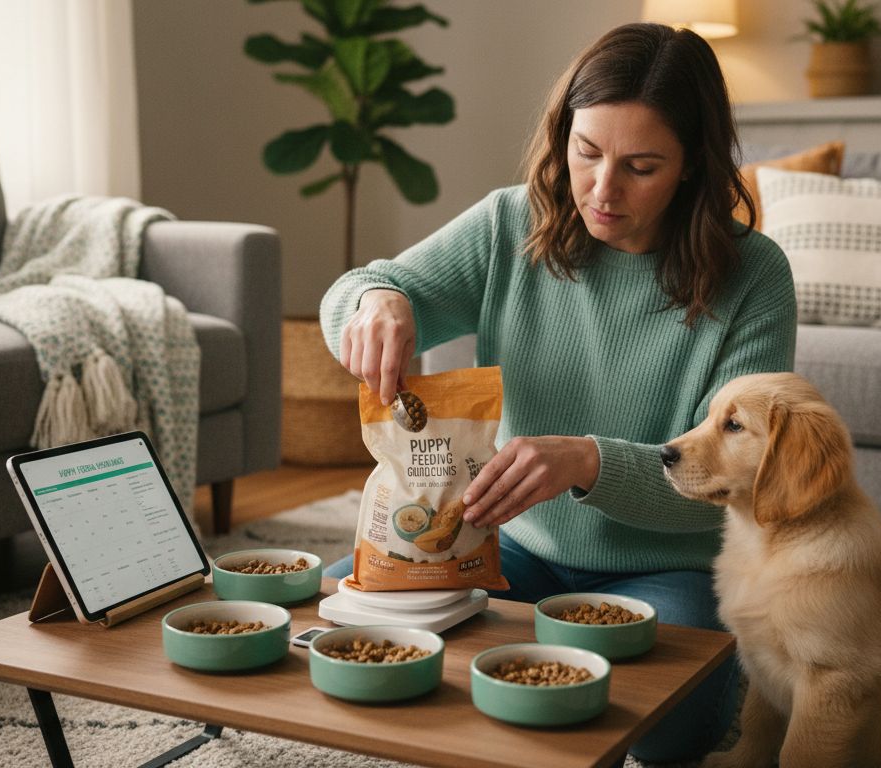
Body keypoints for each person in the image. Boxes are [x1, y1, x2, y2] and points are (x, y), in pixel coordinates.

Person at [319, 22, 795, 763]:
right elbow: (361, 289)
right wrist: (377, 302)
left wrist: (588, 462)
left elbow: (738, 482)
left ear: (692, 167)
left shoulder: (755, 276)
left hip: (668, 568)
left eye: (641, 166)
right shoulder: (510, 222)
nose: (602, 190)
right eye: (587, 151)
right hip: (508, 549)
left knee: (668, 732)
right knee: (335, 611)